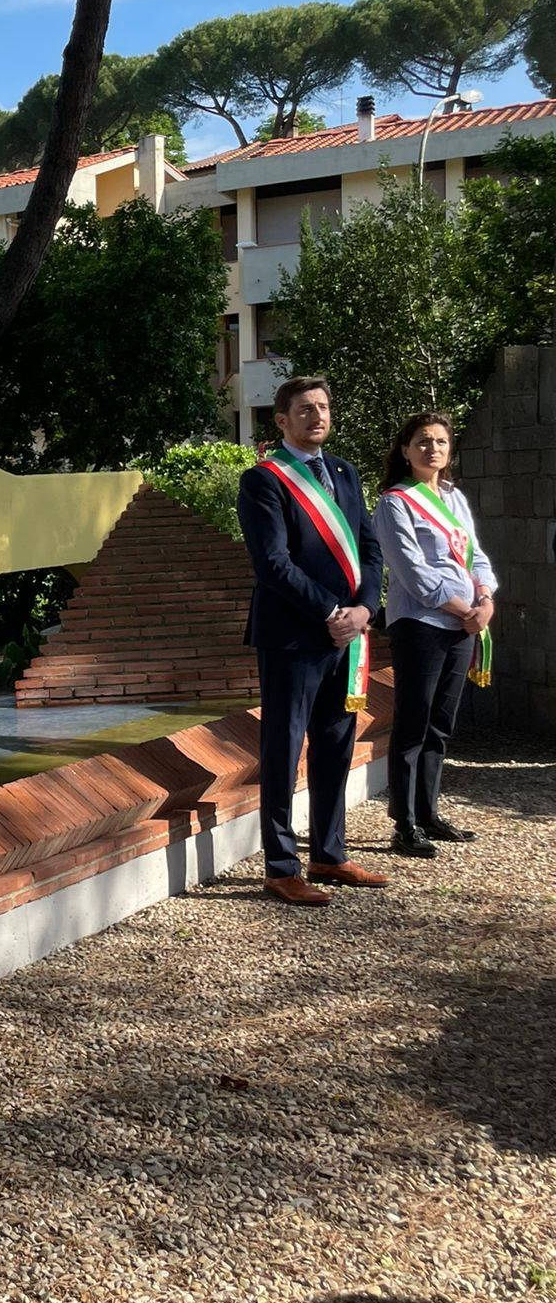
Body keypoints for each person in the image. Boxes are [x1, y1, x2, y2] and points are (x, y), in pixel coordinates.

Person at [237, 375, 387, 907]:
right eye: (305, 409)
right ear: (282, 420)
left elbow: (370, 549)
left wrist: (365, 610)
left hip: (347, 635)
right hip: (294, 637)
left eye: (323, 406)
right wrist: (331, 611)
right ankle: (281, 868)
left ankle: (329, 853)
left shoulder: (345, 472)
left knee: (337, 743)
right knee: (283, 749)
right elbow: (273, 564)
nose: (317, 415)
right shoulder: (264, 480)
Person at [375, 411, 496, 858]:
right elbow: (412, 572)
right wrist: (466, 609)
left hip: (464, 624)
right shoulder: (395, 503)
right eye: (423, 441)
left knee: (440, 724)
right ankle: (403, 822)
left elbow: (476, 556)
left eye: (441, 441)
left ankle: (427, 813)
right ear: (405, 450)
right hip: (421, 625)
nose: (433, 449)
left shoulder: (454, 498)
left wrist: (486, 598)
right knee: (413, 722)